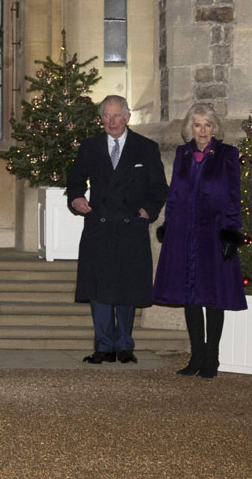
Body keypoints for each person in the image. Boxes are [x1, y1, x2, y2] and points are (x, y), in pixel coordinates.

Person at [67, 95, 168, 365]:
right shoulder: (89, 147)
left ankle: (124, 346)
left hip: (130, 227)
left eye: (116, 116)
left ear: (127, 117)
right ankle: (102, 346)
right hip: (99, 226)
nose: (111, 122)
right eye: (106, 116)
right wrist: (76, 199)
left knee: (128, 288)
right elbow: (75, 181)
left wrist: (148, 210)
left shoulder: (146, 147)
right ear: (100, 118)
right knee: (99, 290)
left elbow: (159, 187)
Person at [153, 104, 247, 379]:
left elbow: (233, 197)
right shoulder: (182, 154)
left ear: (214, 127)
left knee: (213, 297)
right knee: (190, 297)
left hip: (214, 233)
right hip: (184, 233)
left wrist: (231, 231)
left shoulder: (228, 154)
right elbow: (175, 195)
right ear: (189, 128)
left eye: (207, 125)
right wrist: (168, 225)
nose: (203, 130)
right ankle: (196, 356)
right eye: (197, 125)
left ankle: (212, 359)